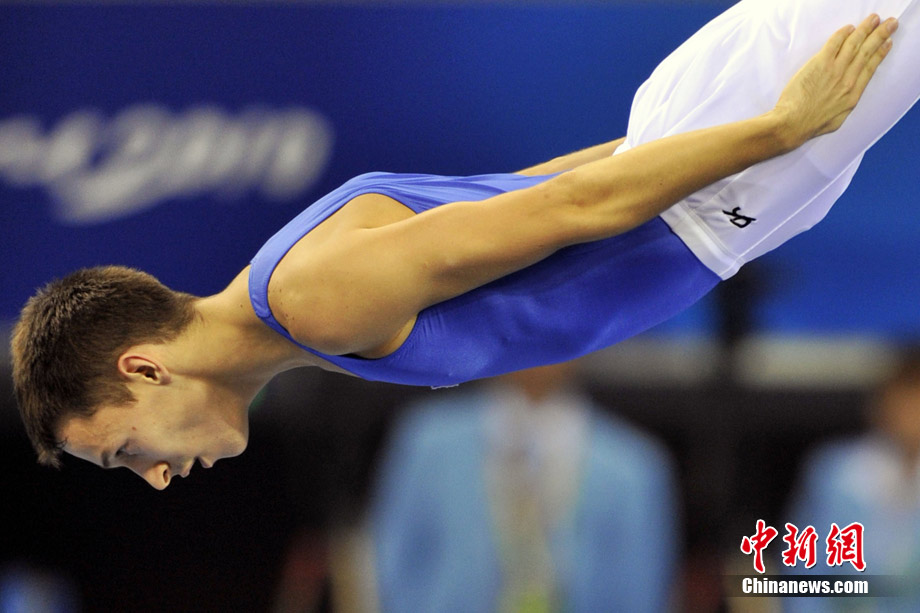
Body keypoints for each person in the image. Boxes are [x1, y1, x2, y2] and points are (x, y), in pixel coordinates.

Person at [10, 0, 917, 489]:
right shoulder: (297, 312)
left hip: (727, 172)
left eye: (124, 452)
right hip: (720, 182)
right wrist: (746, 145)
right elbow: (533, 187)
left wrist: (775, 130)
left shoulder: (312, 298)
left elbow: (575, 206)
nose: (157, 477)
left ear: (144, 368)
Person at [370, 361, 680, 613]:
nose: (538, 344)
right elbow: (391, 563)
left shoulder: (633, 468)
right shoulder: (428, 441)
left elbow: (644, 590)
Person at [782, 350, 920, 612]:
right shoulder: (835, 472)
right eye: (906, 403)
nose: (913, 416)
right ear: (883, 405)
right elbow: (804, 570)